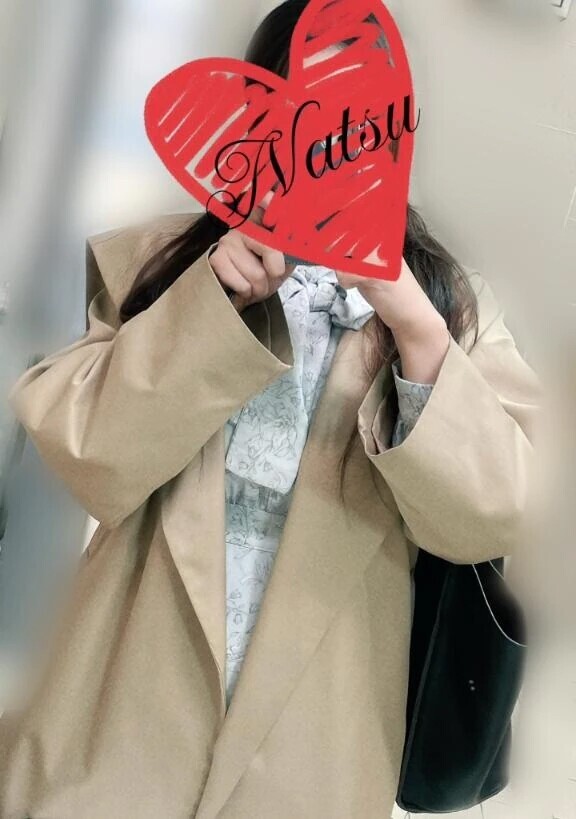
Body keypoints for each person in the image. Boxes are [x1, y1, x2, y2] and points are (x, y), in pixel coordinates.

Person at [0, 2, 540, 817]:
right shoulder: (159, 261)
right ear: (250, 123)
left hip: (318, 734)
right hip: (117, 712)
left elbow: (499, 514)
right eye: (298, 120)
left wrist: (417, 330)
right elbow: (87, 455)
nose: (328, 150)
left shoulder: (450, 307)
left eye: (357, 123)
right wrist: (208, 307)